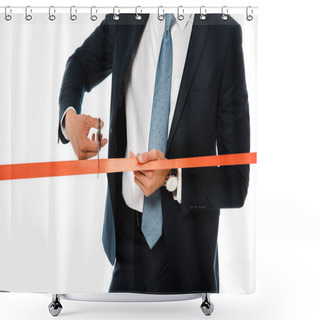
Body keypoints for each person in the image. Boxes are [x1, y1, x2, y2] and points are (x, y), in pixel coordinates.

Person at [58, 13, 250, 294]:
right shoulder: (128, 14)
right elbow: (79, 65)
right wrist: (69, 119)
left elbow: (236, 182)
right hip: (127, 246)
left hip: (188, 256)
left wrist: (172, 177)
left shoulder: (223, 34)